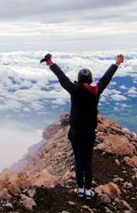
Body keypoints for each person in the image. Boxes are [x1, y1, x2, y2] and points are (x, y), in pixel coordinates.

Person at [41, 53, 124, 199]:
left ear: (79, 79)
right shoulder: (96, 91)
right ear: (91, 80)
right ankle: (87, 190)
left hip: (76, 132)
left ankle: (80, 190)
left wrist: (50, 63)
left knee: (78, 161)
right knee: (88, 161)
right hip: (89, 133)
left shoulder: (74, 89)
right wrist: (116, 63)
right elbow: (106, 78)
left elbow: (62, 78)